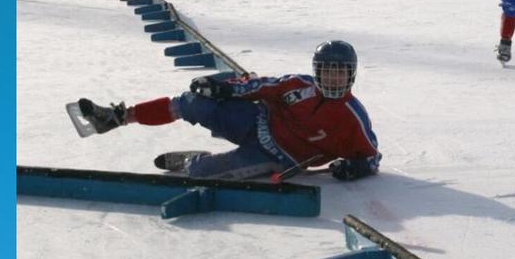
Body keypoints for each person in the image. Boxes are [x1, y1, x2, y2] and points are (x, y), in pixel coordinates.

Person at [77, 41, 381, 181]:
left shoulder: (352, 117)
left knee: (201, 173)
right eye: (327, 72)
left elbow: (371, 155)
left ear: (351, 74)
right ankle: (117, 117)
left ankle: (190, 159)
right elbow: (261, 86)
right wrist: (224, 87)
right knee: (191, 101)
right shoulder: (297, 85)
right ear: (317, 72)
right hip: (256, 121)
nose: (333, 78)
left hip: (275, 158)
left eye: (339, 72)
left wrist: (357, 168)